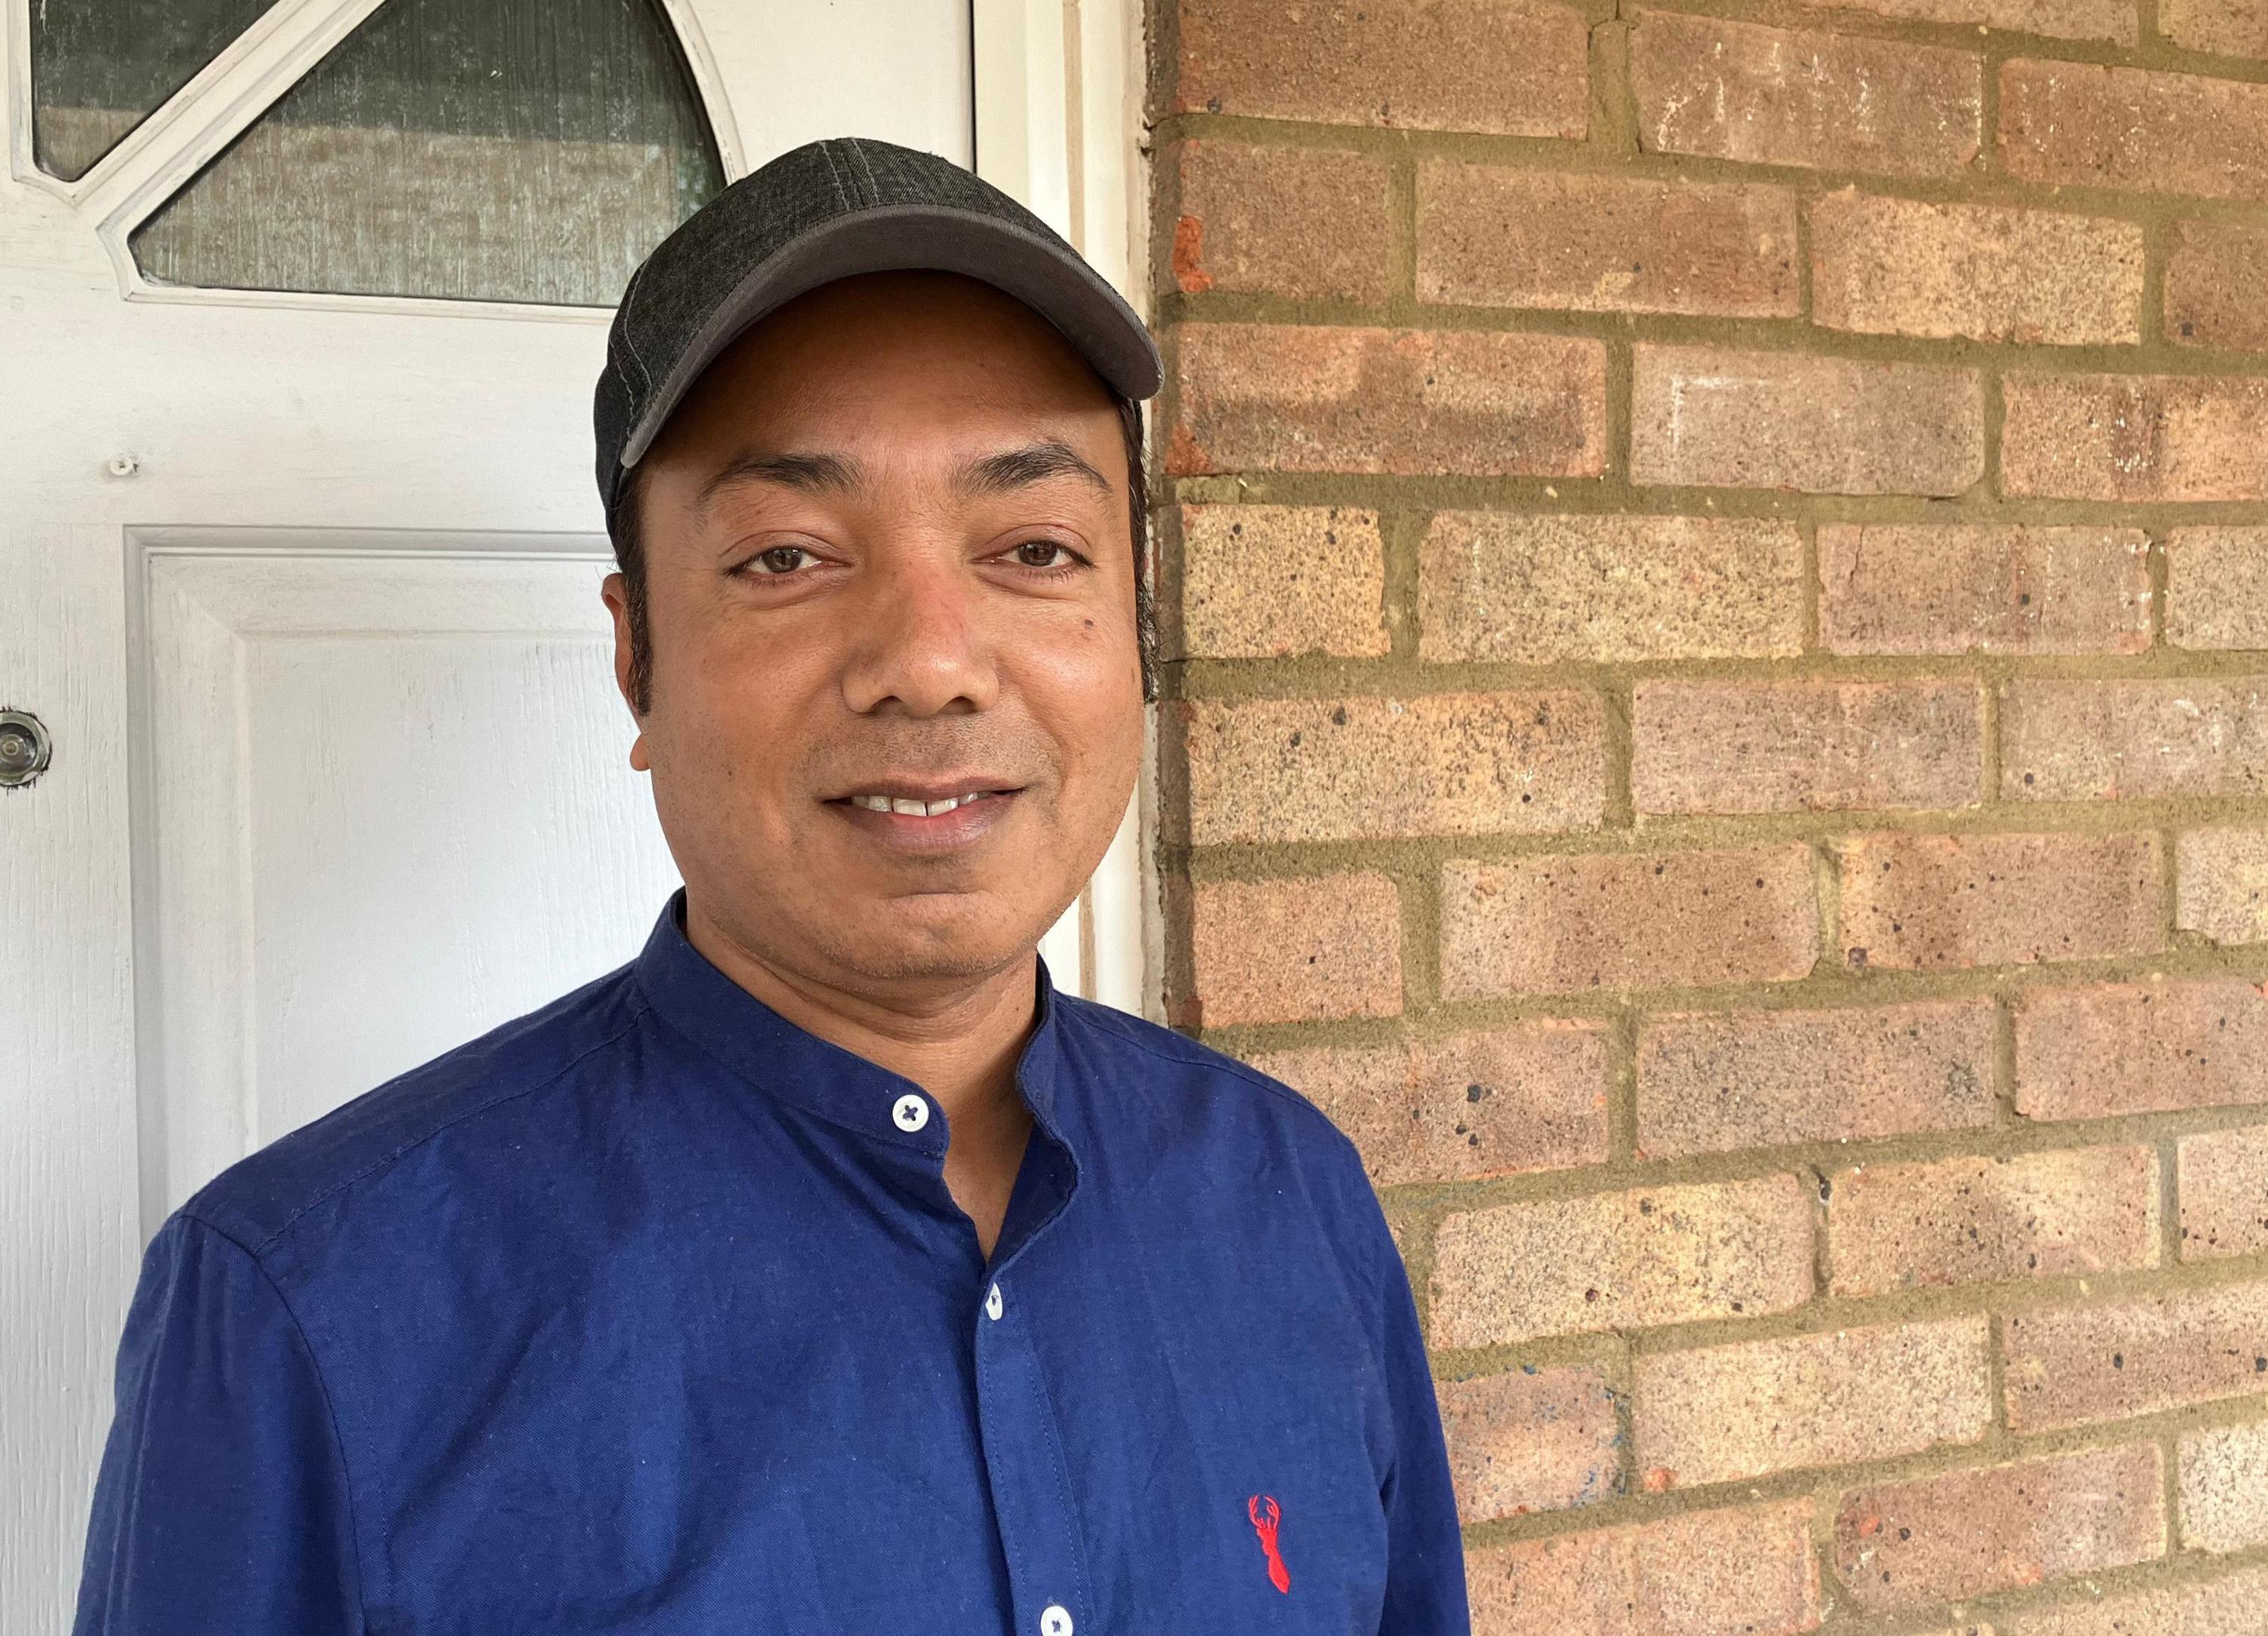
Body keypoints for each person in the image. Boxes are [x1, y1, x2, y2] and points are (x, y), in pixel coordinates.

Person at [72, 136, 1468, 1635]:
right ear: (636, 657)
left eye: (1036, 546)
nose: (929, 660)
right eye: (791, 556)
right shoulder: (312, 1307)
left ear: (1133, 629)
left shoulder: (1290, 1198)